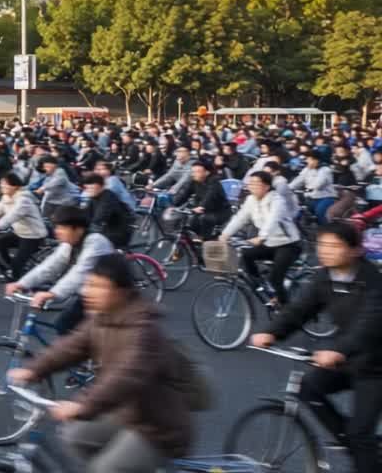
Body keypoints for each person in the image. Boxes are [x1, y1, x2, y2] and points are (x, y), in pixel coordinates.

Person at [8, 254, 193, 473]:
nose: (87, 292)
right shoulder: (102, 318)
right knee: (74, 435)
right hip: (125, 412)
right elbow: (70, 347)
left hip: (157, 427)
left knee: (106, 468)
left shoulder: (144, 330)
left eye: (98, 286)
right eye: (88, 284)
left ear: (120, 291)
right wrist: (34, 369)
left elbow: (125, 377)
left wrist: (83, 405)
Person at [251, 222, 382, 473]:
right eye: (322, 245)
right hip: (351, 359)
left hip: (376, 366)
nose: (326, 251)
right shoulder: (324, 277)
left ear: (355, 250)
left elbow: (370, 323)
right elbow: (300, 309)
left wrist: (339, 350)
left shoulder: (373, 282)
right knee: (308, 386)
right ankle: (352, 441)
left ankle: (360, 446)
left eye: (334, 246)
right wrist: (272, 331)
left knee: (360, 434)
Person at [7, 206, 115, 335]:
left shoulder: (96, 242)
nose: (57, 232)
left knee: (74, 329)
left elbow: (79, 273)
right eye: (57, 227)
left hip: (110, 299)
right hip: (90, 294)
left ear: (78, 229)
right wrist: (22, 283)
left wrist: (53, 294)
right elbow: (50, 266)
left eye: (62, 227)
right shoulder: (69, 244)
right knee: (63, 325)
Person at [220, 171, 301, 305]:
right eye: (250, 183)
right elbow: (240, 218)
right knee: (246, 255)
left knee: (276, 279)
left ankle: (286, 311)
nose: (251, 186)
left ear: (266, 186)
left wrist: (261, 237)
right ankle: (262, 286)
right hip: (269, 243)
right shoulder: (251, 200)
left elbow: (273, 220)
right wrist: (225, 234)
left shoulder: (276, 200)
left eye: (256, 184)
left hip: (288, 244)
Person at [0, 173, 47, 280]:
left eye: (5, 184)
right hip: (20, 233)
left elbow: (14, 215)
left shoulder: (24, 199)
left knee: (17, 262)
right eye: (1, 184)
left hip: (33, 236)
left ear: (14, 186)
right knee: (0, 243)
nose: (2, 187)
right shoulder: (6, 198)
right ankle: (12, 269)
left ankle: (18, 285)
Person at [164, 161, 230, 240]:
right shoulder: (194, 181)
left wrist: (201, 206)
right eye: (193, 172)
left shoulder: (214, 181)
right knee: (188, 223)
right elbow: (184, 195)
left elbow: (209, 197)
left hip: (220, 212)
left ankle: (204, 241)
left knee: (203, 218)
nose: (193, 174)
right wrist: (172, 205)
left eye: (197, 172)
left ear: (206, 173)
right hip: (202, 210)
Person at [79, 173, 131, 250]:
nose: (88, 190)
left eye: (91, 186)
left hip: (118, 233)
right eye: (87, 187)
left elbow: (99, 217)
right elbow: (85, 214)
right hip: (106, 230)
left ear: (100, 186)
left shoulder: (108, 197)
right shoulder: (94, 197)